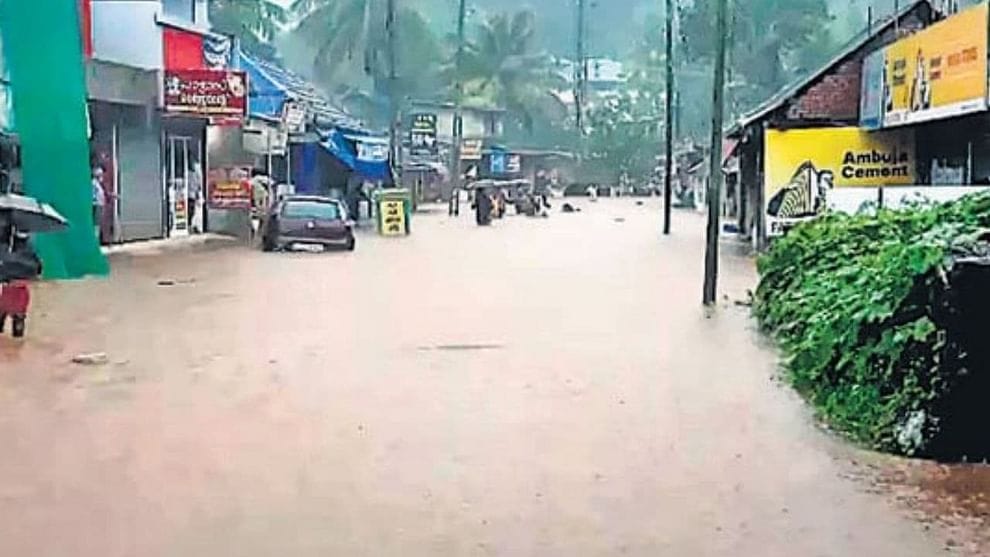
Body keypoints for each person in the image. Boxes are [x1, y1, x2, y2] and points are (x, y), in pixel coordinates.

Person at [0, 226, 40, 339]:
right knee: (18, 316)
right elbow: (37, 269)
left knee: (4, 310)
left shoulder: (7, 246)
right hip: (19, 287)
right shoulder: (30, 250)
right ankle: (17, 335)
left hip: (9, 285)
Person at [92, 166, 106, 242]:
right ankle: (95, 240)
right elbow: (94, 195)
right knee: (96, 224)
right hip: (96, 205)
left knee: (98, 224)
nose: (102, 177)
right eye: (101, 175)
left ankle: (96, 239)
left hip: (99, 205)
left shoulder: (98, 184)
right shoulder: (94, 183)